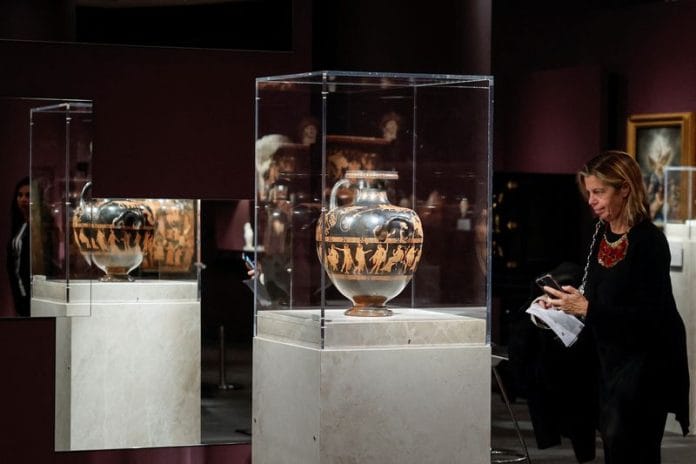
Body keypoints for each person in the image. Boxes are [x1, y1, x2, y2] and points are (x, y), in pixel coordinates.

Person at [537, 151, 690, 463]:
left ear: (625, 189)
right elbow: (595, 292)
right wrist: (561, 303)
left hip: (643, 369)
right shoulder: (600, 232)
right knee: (614, 448)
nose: (591, 201)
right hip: (609, 363)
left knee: (634, 451)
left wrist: (587, 308)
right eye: (589, 192)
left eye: (599, 192)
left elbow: (650, 319)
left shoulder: (649, 242)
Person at [6, 177, 31, 317]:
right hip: (18, 290)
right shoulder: (20, 225)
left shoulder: (39, 227)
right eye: (20, 195)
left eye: (28, 195)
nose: (23, 199)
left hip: (31, 291)